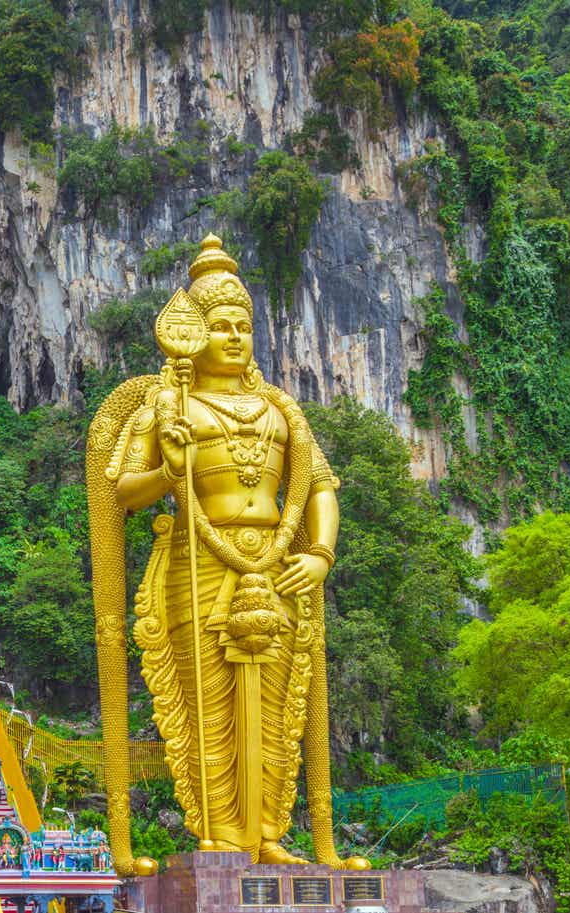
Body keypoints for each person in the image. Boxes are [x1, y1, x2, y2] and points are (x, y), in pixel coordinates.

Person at [95, 235, 362, 868]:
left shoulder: (280, 410)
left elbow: (318, 484)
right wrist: (169, 468)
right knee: (206, 706)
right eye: (221, 326)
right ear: (193, 335)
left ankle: (270, 835)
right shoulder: (169, 404)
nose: (236, 337)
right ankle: (218, 836)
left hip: (276, 567)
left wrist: (319, 552)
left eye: (245, 326)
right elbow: (122, 491)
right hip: (198, 564)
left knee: (279, 708)